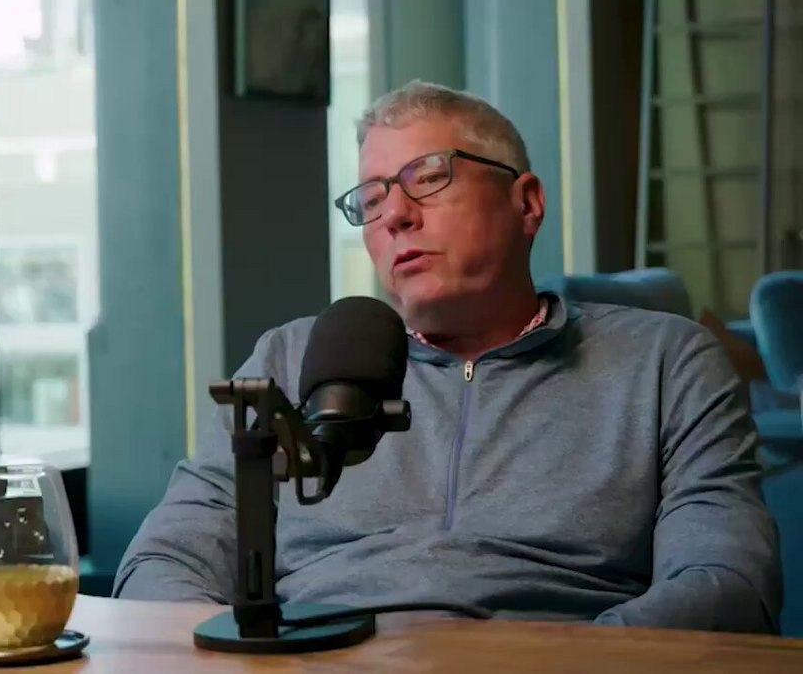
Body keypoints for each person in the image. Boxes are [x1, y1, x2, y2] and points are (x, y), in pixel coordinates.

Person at [113, 81, 782, 633]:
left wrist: (574, 661)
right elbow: (164, 560)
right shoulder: (290, 358)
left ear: (527, 203)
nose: (395, 215)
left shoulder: (665, 362)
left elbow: (727, 582)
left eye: (429, 177)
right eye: (371, 199)